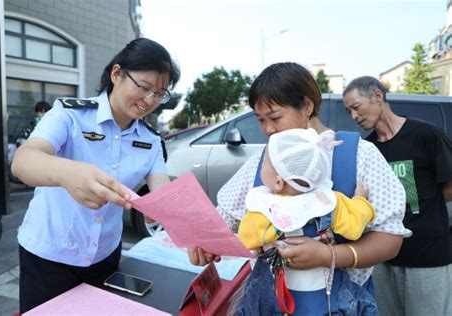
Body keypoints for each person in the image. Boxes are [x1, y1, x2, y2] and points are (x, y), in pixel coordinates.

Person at [188, 62, 411, 315]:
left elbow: (390, 238)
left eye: (275, 117)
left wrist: (329, 255)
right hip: (270, 304)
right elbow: (225, 219)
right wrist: (205, 245)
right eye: (261, 120)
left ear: (307, 106)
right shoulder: (263, 160)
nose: (268, 129)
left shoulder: (360, 154)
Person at [11, 38, 180, 313]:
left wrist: (185, 228)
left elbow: (162, 196)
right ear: (116, 74)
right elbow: (23, 161)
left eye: (159, 94)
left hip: (104, 256)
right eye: (144, 88)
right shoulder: (70, 113)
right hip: (48, 254)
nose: (149, 101)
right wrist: (68, 173)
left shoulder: (150, 140)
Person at [343, 76, 452, 316]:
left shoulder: (425, 134)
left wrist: (425, 207)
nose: (354, 116)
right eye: (349, 111)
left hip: (428, 253)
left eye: (356, 107)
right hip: (383, 256)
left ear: (378, 96)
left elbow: (449, 187)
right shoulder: (368, 149)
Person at [238, 128, 375, 250]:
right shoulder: (329, 200)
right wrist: (360, 200)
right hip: (324, 273)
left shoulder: (264, 208)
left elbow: (247, 240)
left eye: (264, 163)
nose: (261, 166)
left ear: (278, 182)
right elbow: (354, 227)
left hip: (280, 276)